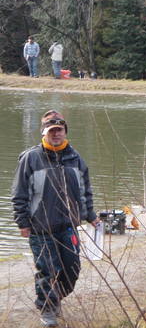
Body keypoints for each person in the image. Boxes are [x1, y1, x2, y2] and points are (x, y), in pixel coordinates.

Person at [11, 110, 99, 327]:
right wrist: (22, 222)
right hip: (40, 228)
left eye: (59, 130)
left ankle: (56, 296)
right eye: (52, 131)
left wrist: (91, 216)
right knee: (47, 271)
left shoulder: (75, 158)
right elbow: (19, 194)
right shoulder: (31, 158)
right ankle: (47, 309)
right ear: (44, 133)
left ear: (65, 132)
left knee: (72, 270)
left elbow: (84, 190)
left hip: (68, 227)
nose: (56, 134)